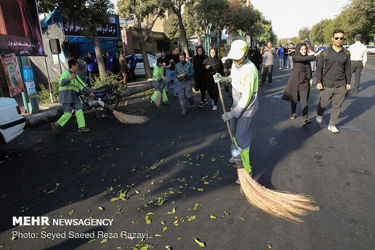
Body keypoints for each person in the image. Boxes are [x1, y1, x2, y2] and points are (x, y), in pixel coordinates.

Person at [213, 40, 259, 179]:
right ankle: (236, 156)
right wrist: (223, 79)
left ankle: (247, 170)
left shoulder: (250, 69)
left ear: (245, 53)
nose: (236, 61)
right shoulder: (235, 63)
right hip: (236, 105)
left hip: (247, 109)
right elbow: (233, 78)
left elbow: (246, 97)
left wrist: (232, 113)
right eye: (234, 58)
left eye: (238, 58)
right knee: (233, 133)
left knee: (241, 139)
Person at [316, 29, 351, 133]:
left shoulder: (346, 53)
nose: (339, 40)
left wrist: (348, 82)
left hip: (341, 84)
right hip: (327, 84)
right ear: (332, 39)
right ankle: (319, 113)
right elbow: (319, 68)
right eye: (337, 38)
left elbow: (348, 68)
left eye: (341, 38)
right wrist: (318, 81)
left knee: (337, 105)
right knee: (324, 104)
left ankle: (332, 124)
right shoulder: (325, 52)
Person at [282, 43, 321, 126]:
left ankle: (305, 118)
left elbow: (315, 61)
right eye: (302, 49)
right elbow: (306, 58)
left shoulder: (307, 57)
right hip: (295, 81)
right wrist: (315, 55)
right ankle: (293, 112)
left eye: (305, 49)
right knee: (294, 99)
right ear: (299, 49)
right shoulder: (296, 57)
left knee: (304, 101)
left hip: (305, 82)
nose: (304, 50)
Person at [51, 59, 94, 133]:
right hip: (66, 97)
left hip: (74, 96)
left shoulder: (76, 76)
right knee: (68, 113)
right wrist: (70, 78)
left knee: (79, 110)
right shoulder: (65, 74)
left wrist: (90, 92)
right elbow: (61, 83)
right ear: (73, 66)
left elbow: (82, 85)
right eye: (77, 65)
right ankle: (56, 124)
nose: (78, 67)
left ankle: (81, 127)